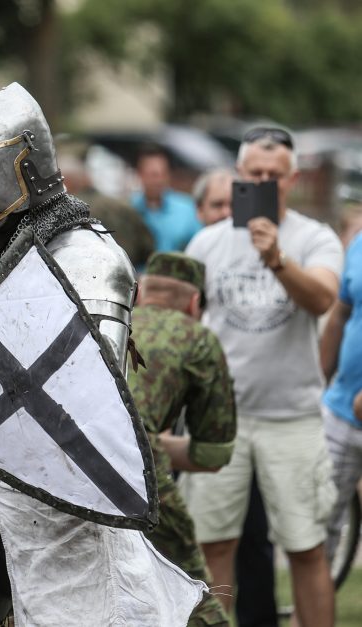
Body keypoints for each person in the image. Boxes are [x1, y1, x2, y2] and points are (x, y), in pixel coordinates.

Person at [0, 83, 205, 626]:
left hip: (63, 517)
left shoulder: (86, 258)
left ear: (22, 165)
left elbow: (86, 400)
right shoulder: (2, 245)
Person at [181, 126, 342, 626]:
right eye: (256, 174)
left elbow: (321, 299)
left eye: (276, 175)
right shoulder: (206, 242)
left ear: (293, 179)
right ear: (238, 178)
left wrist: (275, 257)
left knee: (305, 547)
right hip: (221, 420)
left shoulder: (314, 237)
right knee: (215, 547)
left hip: (291, 416)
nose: (266, 181)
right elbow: (183, 323)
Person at [127, 252, 237, 626]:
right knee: (188, 587)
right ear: (194, 303)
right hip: (137, 458)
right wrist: (157, 441)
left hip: (57, 451)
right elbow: (213, 452)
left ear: (139, 295)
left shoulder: (109, 319)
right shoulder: (198, 338)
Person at [320, 224, 362, 566]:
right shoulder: (360, 242)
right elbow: (340, 315)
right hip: (340, 411)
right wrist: (318, 381)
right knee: (319, 528)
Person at [59, 151, 155, 268]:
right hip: (128, 275)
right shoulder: (122, 205)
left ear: (65, 182)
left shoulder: (65, 214)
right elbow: (147, 248)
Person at [131, 144, 201, 252]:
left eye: (163, 174)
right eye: (153, 175)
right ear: (139, 175)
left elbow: (198, 246)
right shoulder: (130, 209)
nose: (158, 180)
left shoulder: (187, 209)